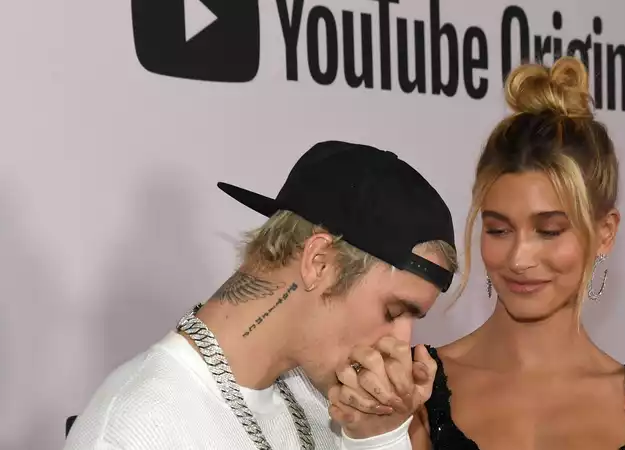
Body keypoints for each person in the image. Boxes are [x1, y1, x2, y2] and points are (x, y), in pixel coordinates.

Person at [64, 140, 459, 449]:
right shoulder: (134, 432)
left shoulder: (331, 405)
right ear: (318, 262)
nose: (401, 342)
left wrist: (378, 438)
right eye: (393, 311)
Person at [407, 57, 625, 449]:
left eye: (549, 231)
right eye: (498, 229)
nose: (519, 258)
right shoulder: (415, 390)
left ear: (605, 232)